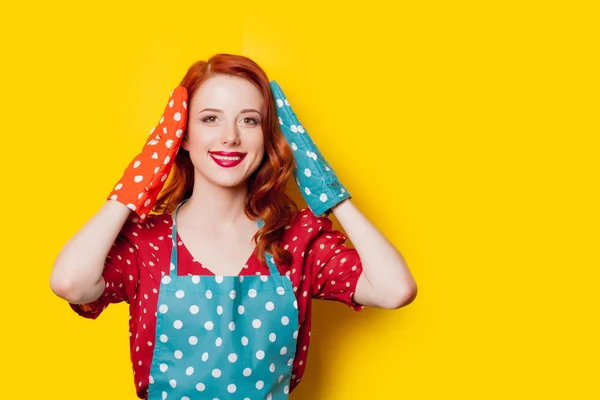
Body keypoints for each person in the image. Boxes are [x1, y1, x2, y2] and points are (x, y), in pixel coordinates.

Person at [50, 53, 418, 400]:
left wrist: (327, 189)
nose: (231, 136)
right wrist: (135, 183)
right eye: (210, 118)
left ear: (268, 137)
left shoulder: (298, 238)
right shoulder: (147, 242)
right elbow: (71, 283)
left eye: (249, 120)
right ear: (182, 137)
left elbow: (394, 290)